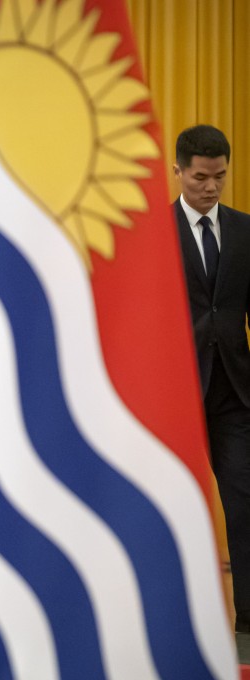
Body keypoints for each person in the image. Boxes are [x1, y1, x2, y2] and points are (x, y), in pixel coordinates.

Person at [173, 124, 250, 634]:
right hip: (174, 391)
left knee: (244, 499)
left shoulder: (245, 231)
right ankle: (175, 615)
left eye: (219, 176)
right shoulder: (153, 234)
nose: (211, 187)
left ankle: (249, 614)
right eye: (200, 177)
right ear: (178, 171)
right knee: (174, 505)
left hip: (234, 390)